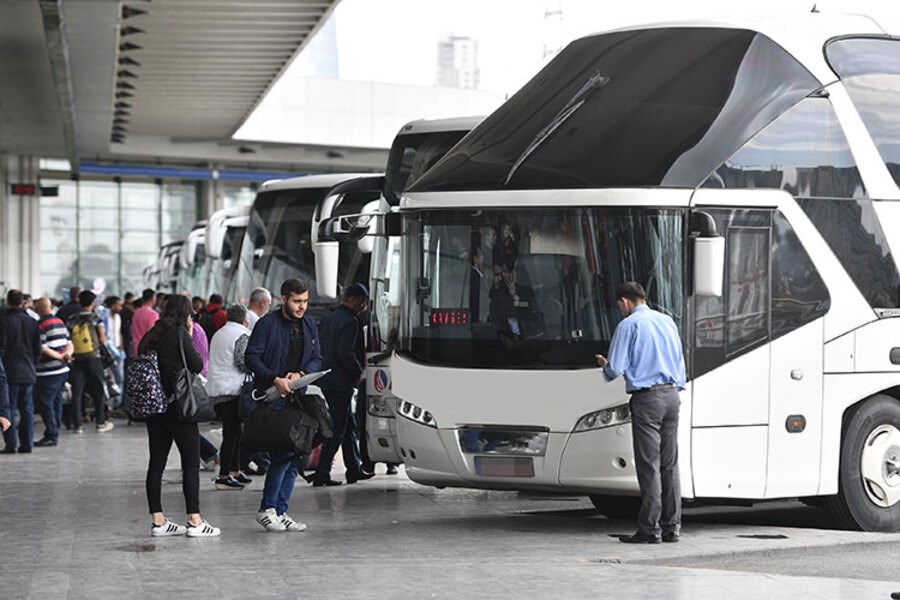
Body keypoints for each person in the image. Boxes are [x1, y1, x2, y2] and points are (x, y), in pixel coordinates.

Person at [595, 282, 685, 544]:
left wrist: (606, 366)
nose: (620, 310)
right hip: (672, 395)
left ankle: (649, 528)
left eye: (619, 306)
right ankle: (672, 527)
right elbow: (680, 361)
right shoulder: (667, 321)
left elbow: (615, 369)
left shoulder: (628, 325)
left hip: (647, 399)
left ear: (625, 301)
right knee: (670, 464)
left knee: (649, 465)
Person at [138, 294, 220, 537]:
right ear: (185, 314)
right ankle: (195, 521)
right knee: (191, 464)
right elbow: (196, 364)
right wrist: (190, 333)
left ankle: (158, 521)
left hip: (155, 409)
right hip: (180, 408)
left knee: (156, 464)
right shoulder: (179, 334)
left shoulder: (151, 336)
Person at [244, 278, 322, 532]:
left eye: (305, 301)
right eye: (297, 301)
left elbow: (317, 358)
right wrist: (274, 378)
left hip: (298, 397)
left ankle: (280, 510)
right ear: (284, 299)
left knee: (296, 454)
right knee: (282, 453)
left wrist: (301, 373)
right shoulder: (267, 324)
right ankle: (268, 509)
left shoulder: (309, 324)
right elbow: (251, 357)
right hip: (272, 398)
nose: (302, 307)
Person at [312, 283, 374, 487]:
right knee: (338, 428)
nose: (363, 308)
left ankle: (353, 469)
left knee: (348, 425)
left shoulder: (328, 319)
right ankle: (322, 472)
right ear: (353, 300)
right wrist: (358, 373)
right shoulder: (350, 322)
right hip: (341, 381)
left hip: (327, 379)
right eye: (362, 303)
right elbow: (345, 352)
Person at [207, 304, 252, 490]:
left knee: (235, 432)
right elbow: (242, 362)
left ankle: (235, 470)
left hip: (217, 389)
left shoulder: (219, 333)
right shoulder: (242, 334)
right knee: (231, 434)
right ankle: (224, 476)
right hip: (233, 390)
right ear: (244, 320)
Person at [0, 290, 42, 453]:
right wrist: (32, 364)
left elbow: (2, 348)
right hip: (28, 371)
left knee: (8, 408)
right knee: (27, 409)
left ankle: (11, 444)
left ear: (8, 302)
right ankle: (27, 444)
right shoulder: (32, 322)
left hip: (9, 372)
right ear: (22, 302)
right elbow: (37, 349)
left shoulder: (4, 322)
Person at [66, 290, 114, 433]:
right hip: (93, 358)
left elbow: (68, 339)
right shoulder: (96, 318)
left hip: (77, 359)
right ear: (92, 303)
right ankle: (100, 423)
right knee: (98, 390)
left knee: (77, 392)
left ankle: (77, 425)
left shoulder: (71, 319)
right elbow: (102, 339)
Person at [34, 297, 73, 447]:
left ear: (37, 309)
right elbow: (69, 343)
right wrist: (66, 356)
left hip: (47, 371)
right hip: (62, 370)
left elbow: (42, 348)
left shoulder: (40, 325)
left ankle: (51, 433)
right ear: (50, 307)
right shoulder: (60, 322)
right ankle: (54, 431)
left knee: (45, 402)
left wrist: (59, 356)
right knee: (57, 401)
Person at [131, 289, 159, 356]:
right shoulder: (153, 314)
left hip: (135, 347)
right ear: (153, 298)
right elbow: (152, 333)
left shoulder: (136, 313)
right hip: (147, 349)